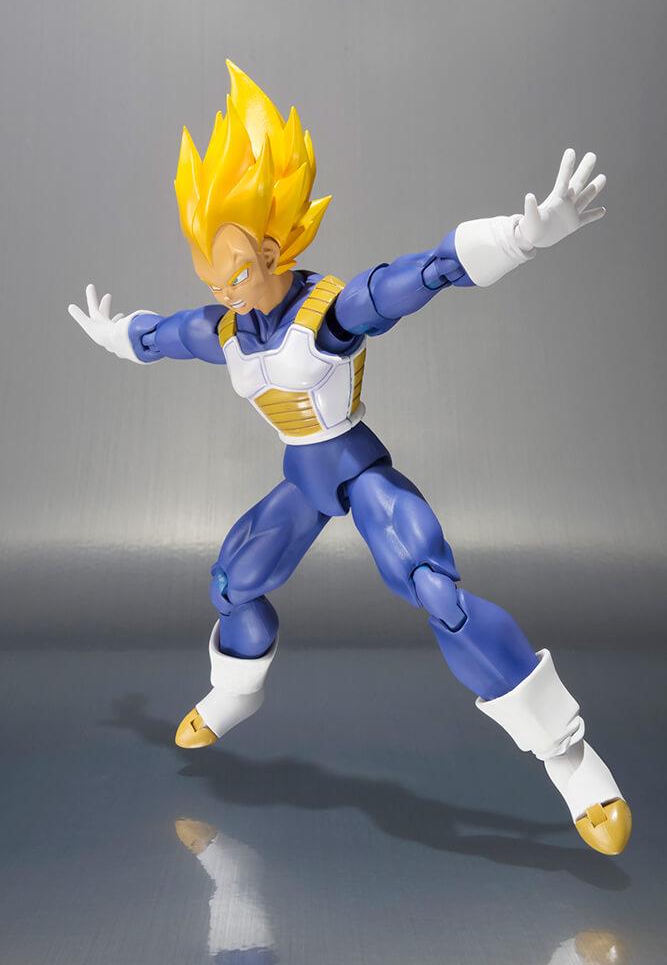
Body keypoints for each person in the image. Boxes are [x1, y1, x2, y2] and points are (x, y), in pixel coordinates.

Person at [69, 61, 630, 856]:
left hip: (358, 469)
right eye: (210, 274)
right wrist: (113, 335)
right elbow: (160, 335)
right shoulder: (225, 327)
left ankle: (570, 760)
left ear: (272, 247)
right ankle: (234, 693)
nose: (224, 290)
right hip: (301, 478)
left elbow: (425, 273)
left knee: (434, 589)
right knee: (231, 583)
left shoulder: (331, 312)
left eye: (236, 271)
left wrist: (520, 237)